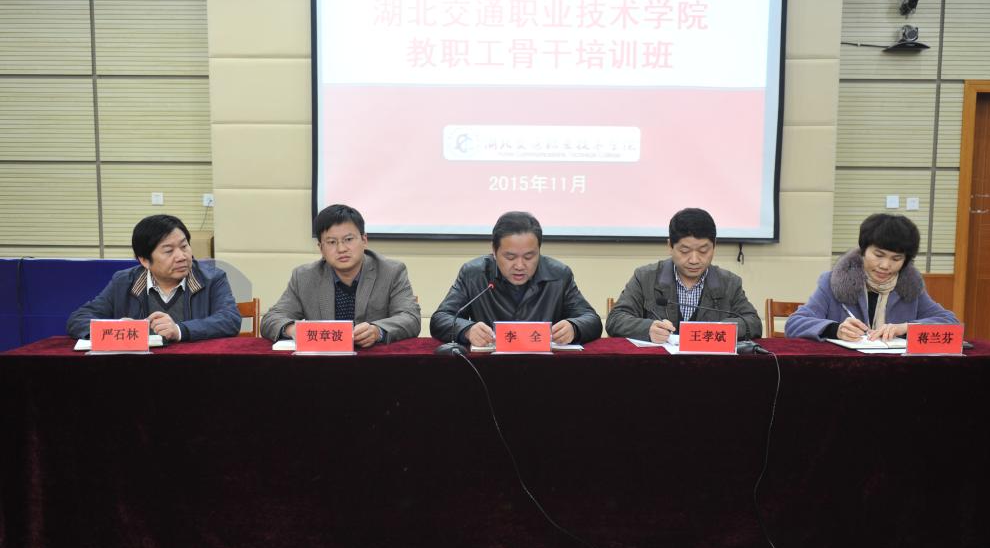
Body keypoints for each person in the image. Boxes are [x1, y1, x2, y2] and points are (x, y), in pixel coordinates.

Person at [430, 211, 602, 347]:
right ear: (494, 251)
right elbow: (441, 319)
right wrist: (467, 330)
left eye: (529, 257)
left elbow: (591, 319)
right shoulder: (474, 274)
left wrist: (574, 327)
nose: (520, 265)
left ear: (539, 250)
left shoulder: (559, 275)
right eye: (510, 257)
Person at [261, 204, 421, 346]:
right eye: (331, 242)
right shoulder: (304, 277)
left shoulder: (391, 272)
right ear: (321, 248)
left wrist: (378, 331)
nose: (341, 249)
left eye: (348, 239)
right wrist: (293, 329)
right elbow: (271, 319)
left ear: (364, 240)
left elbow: (410, 318)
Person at [67, 214, 241, 341]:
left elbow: (230, 319)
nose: (181, 256)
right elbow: (78, 319)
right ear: (144, 260)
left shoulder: (212, 278)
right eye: (169, 251)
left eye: (184, 246)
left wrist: (179, 330)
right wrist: (117, 329)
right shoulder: (124, 282)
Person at [785, 213, 958, 341]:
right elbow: (794, 324)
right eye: (878, 255)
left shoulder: (910, 287)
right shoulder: (833, 282)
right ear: (863, 250)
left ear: (905, 261)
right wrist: (834, 329)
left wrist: (906, 328)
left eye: (896, 259)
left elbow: (951, 323)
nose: (885, 265)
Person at [606, 208, 762, 343]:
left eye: (703, 251)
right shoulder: (645, 277)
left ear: (714, 246)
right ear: (670, 246)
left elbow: (753, 323)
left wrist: (721, 329)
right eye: (685, 251)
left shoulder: (729, 283)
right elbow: (615, 319)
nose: (694, 260)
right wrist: (647, 329)